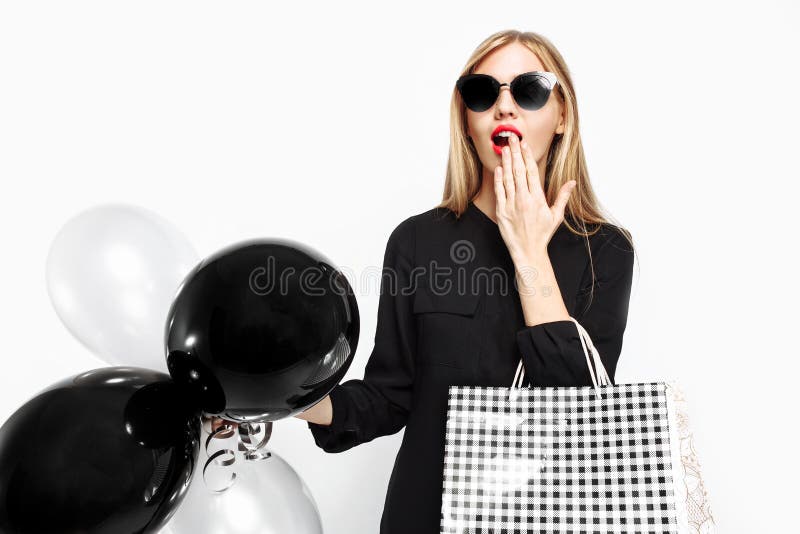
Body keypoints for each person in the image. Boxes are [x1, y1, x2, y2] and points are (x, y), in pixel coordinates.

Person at [295, 29, 637, 534]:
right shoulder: (417, 241)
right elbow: (392, 395)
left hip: (547, 519)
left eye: (529, 90)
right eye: (482, 93)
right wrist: (281, 395)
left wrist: (529, 252)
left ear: (562, 116)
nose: (504, 108)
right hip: (425, 516)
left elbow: (581, 414)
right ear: (467, 120)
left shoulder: (604, 249)